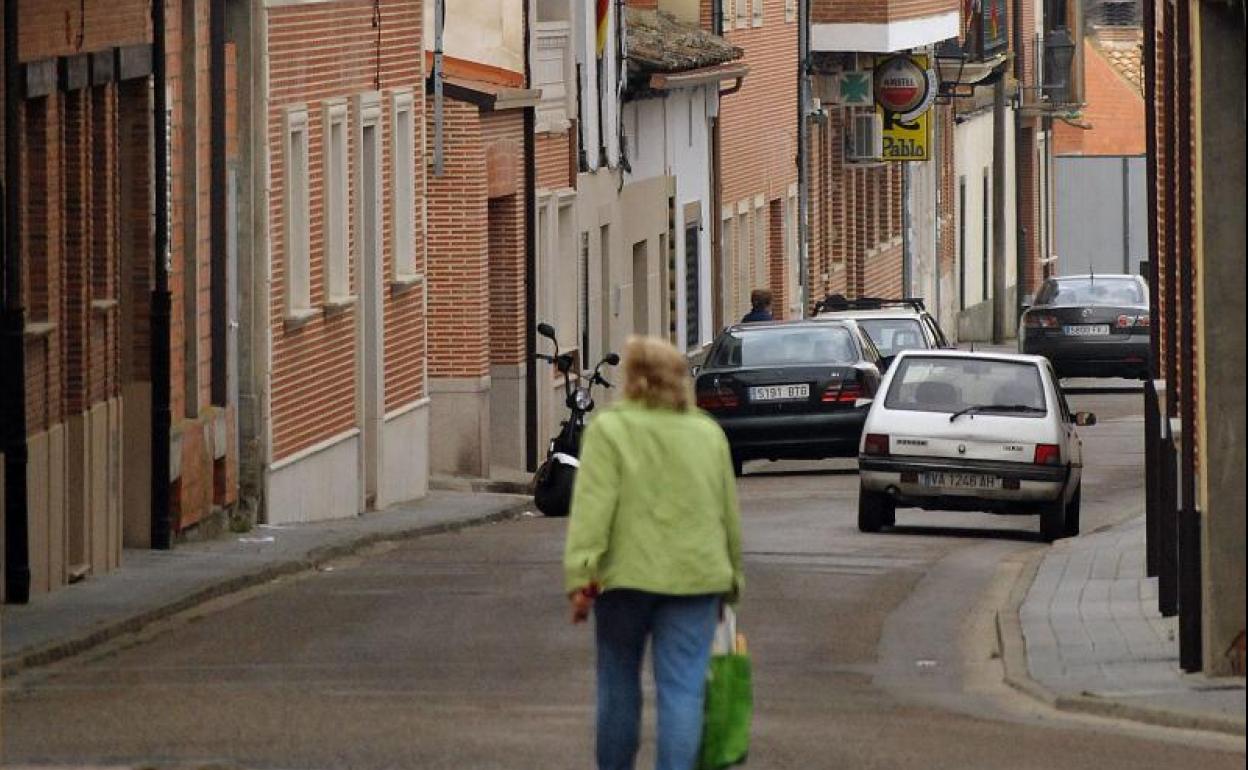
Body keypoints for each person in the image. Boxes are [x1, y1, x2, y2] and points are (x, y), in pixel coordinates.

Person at [564, 335, 745, 770]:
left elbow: (593, 511)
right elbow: (726, 516)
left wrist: (581, 577)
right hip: (697, 579)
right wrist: (731, 582)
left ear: (631, 378)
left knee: (618, 683)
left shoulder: (609, 429)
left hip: (623, 581)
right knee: (683, 689)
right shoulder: (707, 433)